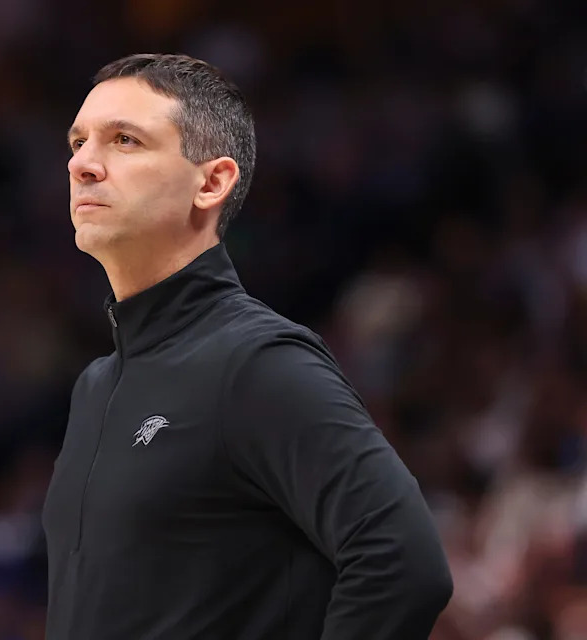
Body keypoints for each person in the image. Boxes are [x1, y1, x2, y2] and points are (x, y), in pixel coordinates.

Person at [41, 53, 452, 640]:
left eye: (125, 140)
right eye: (78, 142)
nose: (82, 163)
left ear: (211, 182)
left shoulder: (259, 363)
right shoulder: (93, 387)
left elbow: (403, 561)